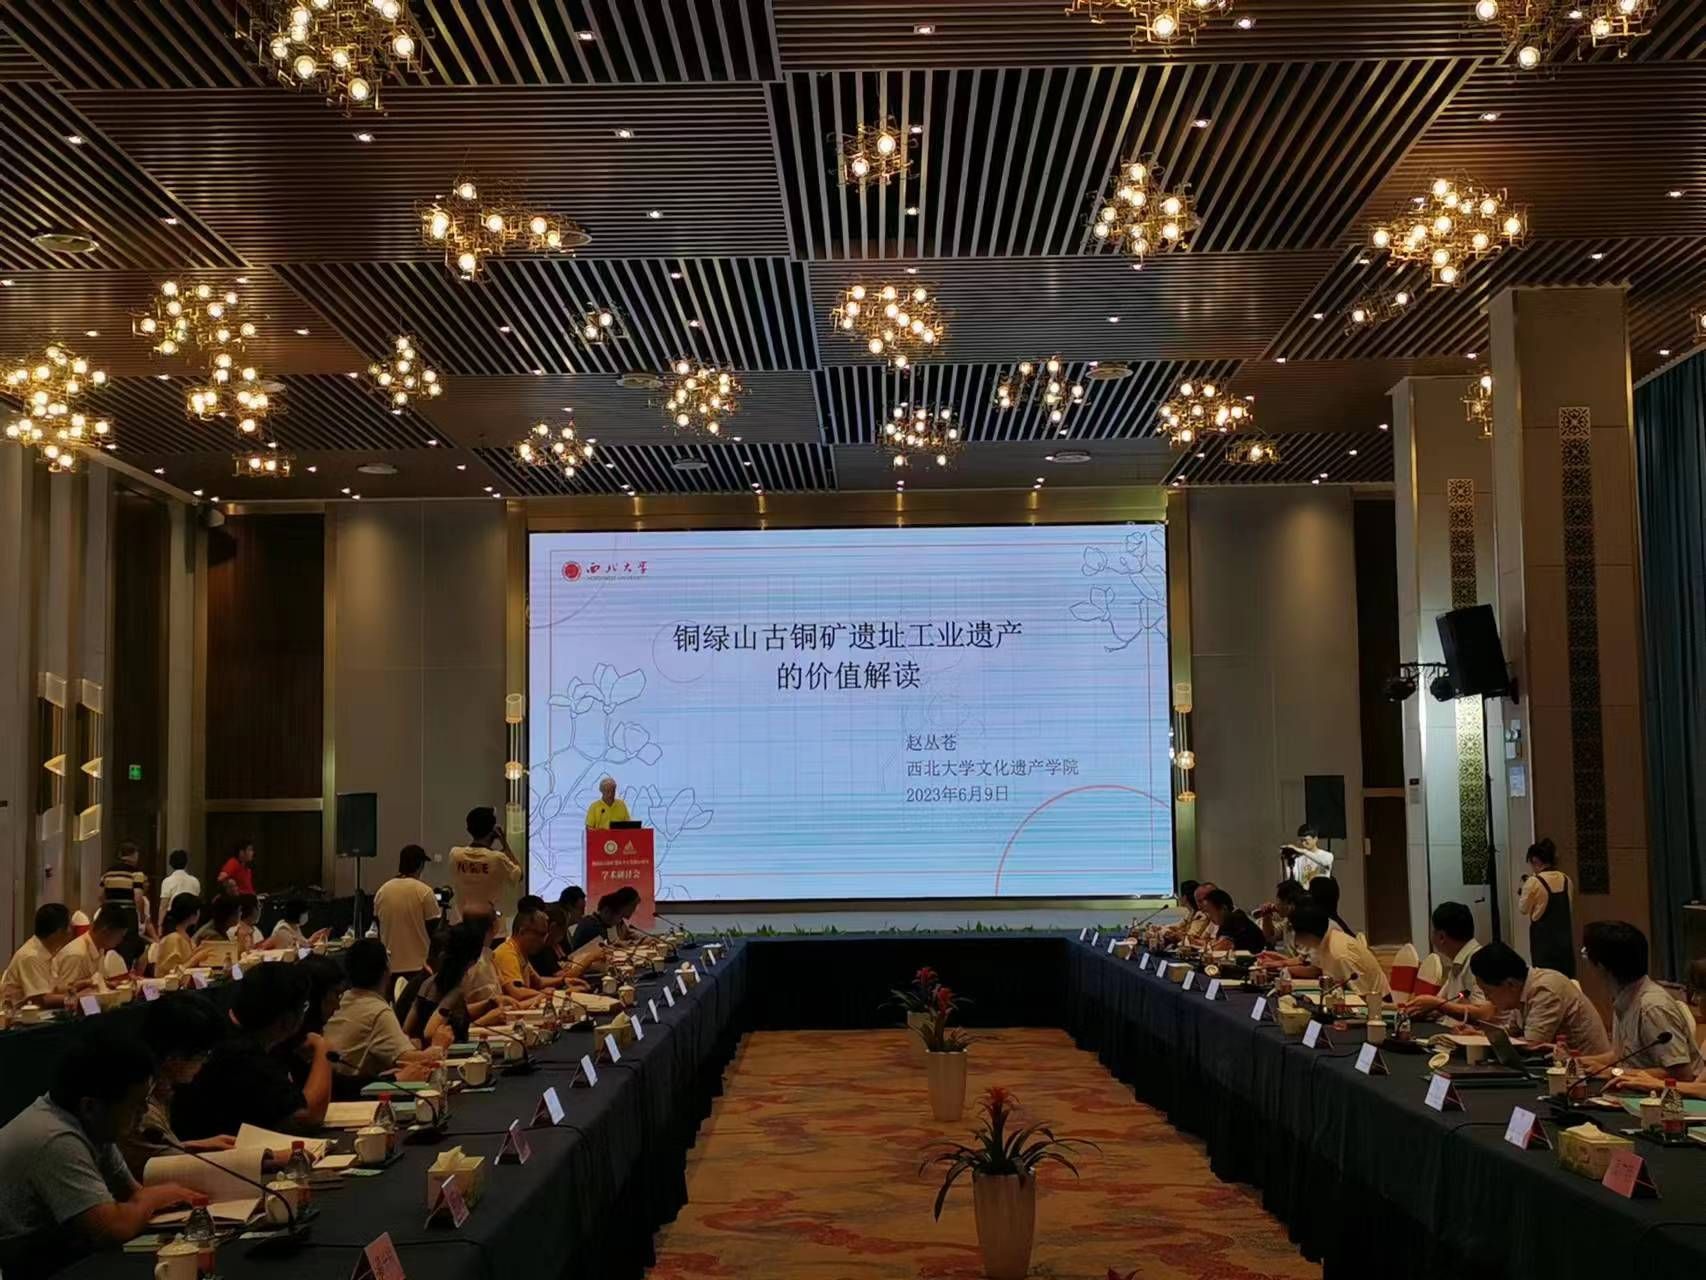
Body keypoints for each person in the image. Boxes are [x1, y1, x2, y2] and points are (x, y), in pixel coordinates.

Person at [0, 1029, 199, 1276]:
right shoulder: (55, 1139)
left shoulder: (94, 1125)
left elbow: (131, 1194)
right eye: (136, 1104)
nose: (145, 1111)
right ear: (91, 1106)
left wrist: (147, 1200)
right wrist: (153, 1198)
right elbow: (112, 1229)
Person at [172, 962, 334, 1139]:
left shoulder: (231, 1030)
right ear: (287, 1020)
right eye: (304, 1007)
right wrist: (323, 1048)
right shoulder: (241, 1055)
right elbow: (308, 1116)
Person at [121, 993, 236, 1177]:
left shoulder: (158, 1087)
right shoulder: (142, 1110)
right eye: (203, 1054)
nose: (205, 1062)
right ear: (173, 1057)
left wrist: (193, 1146)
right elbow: (182, 1171)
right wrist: (272, 1158)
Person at [1578, 920, 1704, 1083]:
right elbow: (1621, 1055)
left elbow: (1681, 1074)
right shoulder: (1625, 996)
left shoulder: (1652, 1008)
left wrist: (1614, 1072)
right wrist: (1577, 1061)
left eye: (1586, 954)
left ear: (1601, 966)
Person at [323, 939, 448, 1081]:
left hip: (338, 1082)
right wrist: (438, 1047)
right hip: (351, 1089)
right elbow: (414, 1062)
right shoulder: (377, 1011)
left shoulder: (345, 998)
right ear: (386, 972)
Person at [1466, 941, 1609, 1056]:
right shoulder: (1520, 989)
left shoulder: (1545, 989)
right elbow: (1512, 1034)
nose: (1487, 998)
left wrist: (1488, 1040)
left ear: (1510, 984)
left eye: (1488, 991)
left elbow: (1532, 1045)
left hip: (1585, 1071)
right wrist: (1480, 1035)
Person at [405, 921, 499, 1043]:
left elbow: (406, 1029)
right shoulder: (456, 992)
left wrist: (488, 1003)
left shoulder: (428, 982)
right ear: (473, 961)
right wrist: (483, 1021)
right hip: (441, 1051)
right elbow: (429, 1032)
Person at [373, 844, 441, 1007]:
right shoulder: (424, 891)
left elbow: (379, 926)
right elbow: (435, 932)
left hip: (390, 968)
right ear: (420, 865)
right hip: (420, 968)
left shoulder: (382, 891)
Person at [1401, 902, 1486, 1020]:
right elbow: (1443, 1005)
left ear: (1441, 937)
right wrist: (1420, 1009)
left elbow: (1482, 1013)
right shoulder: (1458, 961)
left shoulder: (1480, 961)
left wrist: (1436, 1004)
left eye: (1432, 931)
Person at [1289, 903, 1389, 998]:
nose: (1296, 940)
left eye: (1298, 934)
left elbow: (1362, 996)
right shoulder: (1324, 942)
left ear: (1309, 934)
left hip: (1378, 1003)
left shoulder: (1339, 954)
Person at [449, 806, 522, 920]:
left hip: (461, 923)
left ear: (469, 829)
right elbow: (519, 875)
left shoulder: (455, 854)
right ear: (493, 831)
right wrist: (504, 842)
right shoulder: (497, 858)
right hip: (490, 925)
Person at [1517, 837, 1575, 976]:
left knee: (1545, 979)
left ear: (1535, 860)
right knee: (1566, 979)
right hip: (1565, 941)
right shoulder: (1566, 879)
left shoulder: (1533, 882)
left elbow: (1523, 909)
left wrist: (1524, 890)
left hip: (1543, 943)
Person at [2, 904, 74, 1008]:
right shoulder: (31, 956)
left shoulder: (47, 952)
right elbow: (41, 999)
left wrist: (78, 988)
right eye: (69, 926)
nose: (71, 931)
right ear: (58, 932)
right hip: (20, 1015)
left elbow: (52, 989)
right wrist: (76, 998)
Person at [491, 906, 558, 1006]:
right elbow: (517, 992)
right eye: (540, 934)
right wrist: (545, 994)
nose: (543, 941)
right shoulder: (507, 953)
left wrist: (564, 980)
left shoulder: (520, 952)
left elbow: (538, 982)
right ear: (522, 931)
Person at [52, 907, 128, 993]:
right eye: (120, 935)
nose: (121, 940)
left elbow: (94, 980)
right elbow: (63, 992)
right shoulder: (77, 954)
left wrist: (107, 984)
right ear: (105, 932)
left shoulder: (100, 947)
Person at [153, 895, 208, 978]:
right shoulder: (173, 938)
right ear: (192, 914)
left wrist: (196, 954)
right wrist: (195, 959)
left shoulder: (185, 936)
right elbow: (171, 973)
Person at [571, 887, 639, 951]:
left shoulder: (599, 923)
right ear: (606, 911)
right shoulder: (592, 926)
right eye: (620, 916)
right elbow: (600, 950)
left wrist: (615, 944)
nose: (620, 921)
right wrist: (614, 946)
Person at [1202, 889, 1266, 953]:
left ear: (1223, 908)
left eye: (1209, 911)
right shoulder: (1229, 918)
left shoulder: (1235, 917)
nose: (1208, 916)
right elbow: (1217, 943)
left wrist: (1206, 948)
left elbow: (1221, 947)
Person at [156, 851, 199, 931]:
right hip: (190, 920)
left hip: (173, 920)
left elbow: (163, 905)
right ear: (186, 862)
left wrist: (160, 925)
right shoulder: (195, 881)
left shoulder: (168, 881)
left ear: (171, 863)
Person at [262, 899, 329, 951]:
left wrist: (313, 938)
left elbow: (304, 943)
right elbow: (295, 949)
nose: (307, 915)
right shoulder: (283, 929)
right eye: (305, 913)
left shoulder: (295, 926)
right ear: (296, 914)